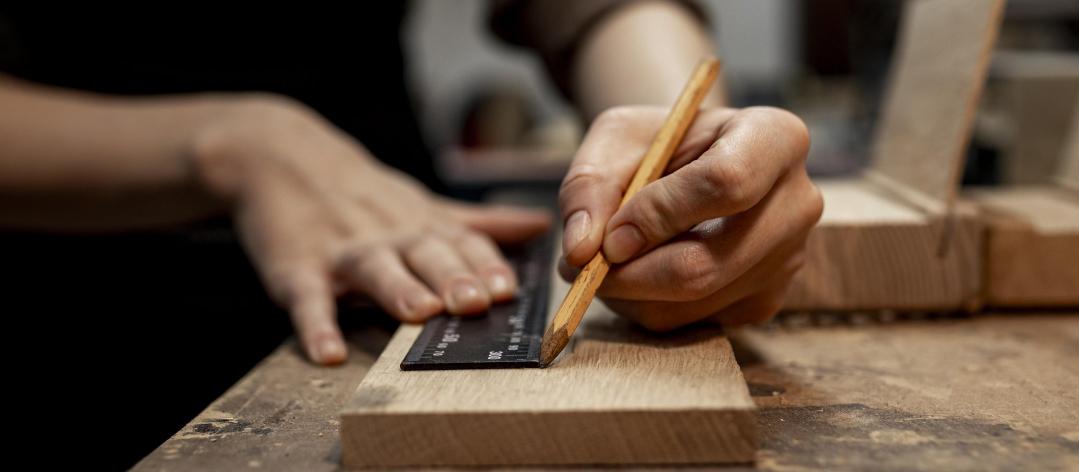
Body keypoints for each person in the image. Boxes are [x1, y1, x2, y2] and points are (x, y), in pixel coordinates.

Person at [0, 1, 822, 368]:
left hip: (419, 245)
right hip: (78, 275)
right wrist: (233, 145)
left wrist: (691, 159)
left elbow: (602, 7)